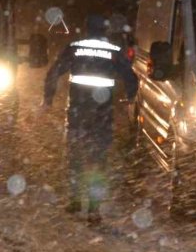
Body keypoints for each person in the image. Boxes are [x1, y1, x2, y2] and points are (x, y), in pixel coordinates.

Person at [41, 14, 139, 222]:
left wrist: (48, 100)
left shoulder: (75, 48)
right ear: (105, 30)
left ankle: (76, 200)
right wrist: (130, 99)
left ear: (86, 28)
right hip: (102, 116)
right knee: (98, 161)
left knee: (76, 156)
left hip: (78, 114)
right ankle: (94, 209)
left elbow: (53, 73)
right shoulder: (114, 51)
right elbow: (131, 79)